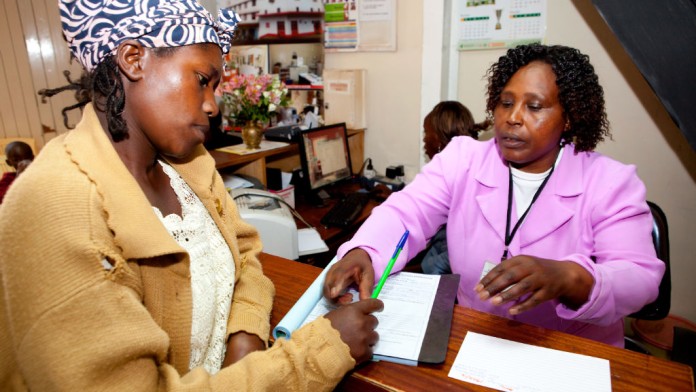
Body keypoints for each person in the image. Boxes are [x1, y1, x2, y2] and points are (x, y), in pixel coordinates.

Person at [0, 1, 382, 391]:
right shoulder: (56, 205)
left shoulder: (188, 164)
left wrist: (244, 337)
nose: (212, 106)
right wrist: (320, 350)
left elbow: (246, 258)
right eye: (202, 80)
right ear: (134, 59)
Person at [323, 43, 664, 348]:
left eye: (534, 106)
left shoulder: (610, 182)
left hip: (569, 351)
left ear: (570, 118)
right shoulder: (463, 159)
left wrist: (570, 277)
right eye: (505, 103)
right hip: (474, 339)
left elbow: (640, 279)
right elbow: (404, 213)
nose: (512, 118)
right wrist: (364, 252)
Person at [417, 101, 490, 274]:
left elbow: (442, 263)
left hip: (443, 270)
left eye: (426, 132)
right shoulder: (473, 167)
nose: (424, 140)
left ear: (439, 139)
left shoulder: (464, 179)